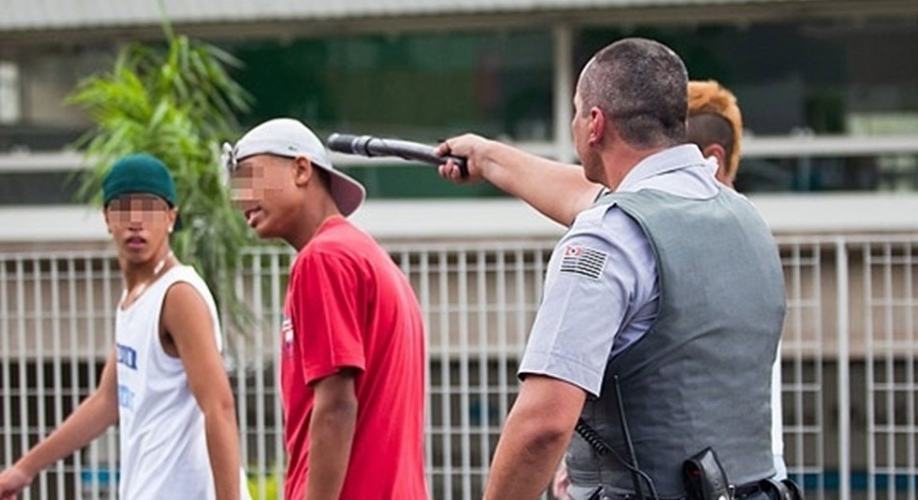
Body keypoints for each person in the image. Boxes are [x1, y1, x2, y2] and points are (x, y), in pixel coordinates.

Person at [437, 38, 786, 499]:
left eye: (577, 111)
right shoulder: (742, 219)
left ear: (595, 124)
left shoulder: (605, 237)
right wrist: (487, 156)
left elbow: (543, 425)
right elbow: (590, 196)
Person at [0, 154, 250, 500]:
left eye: (149, 209)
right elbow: (106, 401)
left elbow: (219, 406)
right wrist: (23, 469)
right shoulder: (135, 297)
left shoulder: (178, 295)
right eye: (123, 208)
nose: (136, 221)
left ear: (170, 218)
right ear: (106, 217)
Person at [223, 118, 428, 499]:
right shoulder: (370, 258)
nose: (240, 198)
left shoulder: (323, 258)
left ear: (301, 169)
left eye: (249, 176)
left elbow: (335, 405)